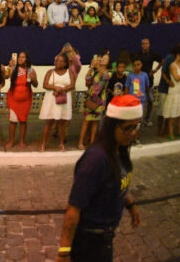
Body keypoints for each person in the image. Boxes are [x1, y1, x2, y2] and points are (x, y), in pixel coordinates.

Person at [56, 95, 142, 262]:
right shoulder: (95, 160)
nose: (133, 133)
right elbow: (74, 208)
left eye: (136, 126)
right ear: (112, 127)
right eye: (127, 128)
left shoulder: (119, 149)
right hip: (89, 243)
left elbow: (114, 182)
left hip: (105, 239)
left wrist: (130, 204)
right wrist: (64, 253)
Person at [39, 54, 75, 151]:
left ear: (65, 63)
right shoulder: (50, 72)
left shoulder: (69, 72)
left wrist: (61, 89)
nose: (58, 62)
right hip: (51, 99)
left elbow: (72, 85)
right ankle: (43, 143)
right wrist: (55, 88)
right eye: (57, 60)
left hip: (63, 99)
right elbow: (45, 85)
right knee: (49, 122)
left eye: (61, 61)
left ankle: (61, 143)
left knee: (61, 122)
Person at [78, 52, 110, 150]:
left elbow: (104, 77)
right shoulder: (95, 71)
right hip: (91, 98)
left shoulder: (109, 72)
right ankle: (80, 142)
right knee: (86, 120)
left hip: (100, 100)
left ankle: (92, 142)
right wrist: (91, 68)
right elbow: (87, 78)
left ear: (108, 62)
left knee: (95, 122)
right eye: (102, 58)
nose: (103, 59)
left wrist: (98, 66)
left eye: (105, 58)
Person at [5, 51, 37, 149]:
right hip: (13, 99)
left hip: (26, 100)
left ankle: (22, 141)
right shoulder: (13, 68)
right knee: (13, 121)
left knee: (23, 121)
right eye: (19, 57)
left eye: (23, 57)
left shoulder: (31, 70)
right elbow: (5, 76)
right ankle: (11, 141)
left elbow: (36, 84)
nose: (20, 58)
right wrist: (9, 67)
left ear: (27, 59)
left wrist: (32, 78)